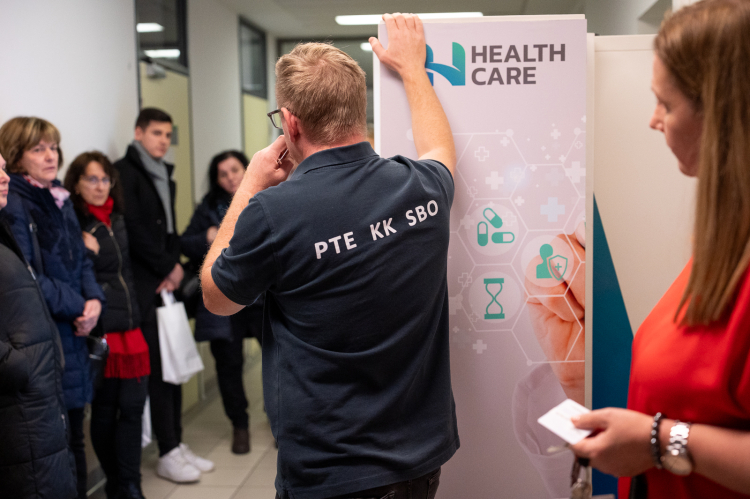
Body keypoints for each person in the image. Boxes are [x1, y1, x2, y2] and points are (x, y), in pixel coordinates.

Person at [202, 13, 458, 499]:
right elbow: (440, 148)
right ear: (358, 109)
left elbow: (217, 296)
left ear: (290, 123)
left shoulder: (273, 212)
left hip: (331, 472)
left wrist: (251, 184)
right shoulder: (422, 187)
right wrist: (413, 69)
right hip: (421, 460)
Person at [568, 1, 750, 498]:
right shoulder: (724, 247)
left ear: (722, 116)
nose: (654, 121)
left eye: (666, 105)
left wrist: (657, 441)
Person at [0, 117, 106, 499]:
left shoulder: (59, 196)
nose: (51, 156)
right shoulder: (14, 204)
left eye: (54, 147)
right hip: (48, 332)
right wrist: (80, 306)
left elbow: (80, 259)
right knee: (58, 443)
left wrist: (94, 300)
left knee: (73, 437)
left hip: (74, 332)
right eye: (38, 149)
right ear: (17, 156)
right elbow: (28, 277)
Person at [114, 107, 213, 483]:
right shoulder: (124, 172)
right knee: (158, 370)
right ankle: (167, 450)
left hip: (165, 286)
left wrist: (173, 269)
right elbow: (134, 231)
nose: (163, 141)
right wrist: (167, 268)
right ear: (138, 133)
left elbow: (169, 231)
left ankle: (177, 443)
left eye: (168, 135)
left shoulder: (163, 174)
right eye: (156, 133)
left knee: (173, 367)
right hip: (144, 287)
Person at [64, 151, 150, 499]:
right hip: (103, 334)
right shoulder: (73, 223)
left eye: (105, 179)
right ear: (76, 184)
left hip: (132, 328)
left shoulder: (118, 218)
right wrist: (84, 249)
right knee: (103, 414)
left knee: (132, 411)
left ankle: (131, 485)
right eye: (92, 179)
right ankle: (117, 484)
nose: (100, 187)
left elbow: (128, 270)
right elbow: (71, 277)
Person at [0, 152, 77, 499]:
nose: (5, 178)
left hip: (35, 401)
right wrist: (19, 367)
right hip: (19, 401)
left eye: (3, 169)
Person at [181, 150, 263, 455]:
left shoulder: (266, 196)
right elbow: (185, 243)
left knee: (280, 359)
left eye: (235, 170)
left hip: (263, 297)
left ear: (246, 169)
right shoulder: (208, 207)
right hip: (224, 299)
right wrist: (209, 235)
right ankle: (239, 425)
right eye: (223, 174)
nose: (230, 178)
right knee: (229, 366)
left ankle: (280, 419)